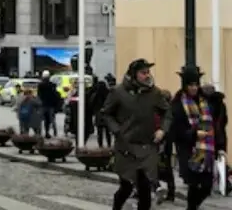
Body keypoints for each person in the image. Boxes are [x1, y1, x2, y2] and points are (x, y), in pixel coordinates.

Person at [101, 58, 171, 210]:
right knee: (126, 186)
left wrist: (162, 130)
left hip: (146, 147)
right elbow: (106, 114)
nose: (147, 75)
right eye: (143, 72)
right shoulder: (118, 92)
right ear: (133, 74)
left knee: (145, 188)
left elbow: (167, 112)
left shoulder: (154, 93)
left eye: (148, 72)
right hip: (126, 147)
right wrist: (117, 130)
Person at [170, 66, 227, 210]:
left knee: (207, 187)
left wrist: (220, 147)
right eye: (190, 85)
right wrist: (194, 134)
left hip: (207, 151)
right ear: (185, 85)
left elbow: (218, 125)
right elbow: (176, 131)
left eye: (196, 84)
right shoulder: (178, 104)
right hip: (189, 151)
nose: (194, 88)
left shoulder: (206, 101)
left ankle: (192, 208)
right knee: (193, 185)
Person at [37, 70, 60, 138]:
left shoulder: (40, 85)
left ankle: (39, 133)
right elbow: (55, 95)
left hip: (43, 105)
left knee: (40, 120)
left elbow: (39, 95)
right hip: (50, 105)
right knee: (50, 120)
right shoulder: (52, 85)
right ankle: (50, 132)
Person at [90, 79, 112, 148]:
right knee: (108, 132)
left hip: (98, 115)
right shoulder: (109, 93)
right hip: (107, 114)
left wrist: (94, 112)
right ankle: (109, 145)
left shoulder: (96, 94)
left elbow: (91, 104)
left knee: (100, 132)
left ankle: (100, 145)